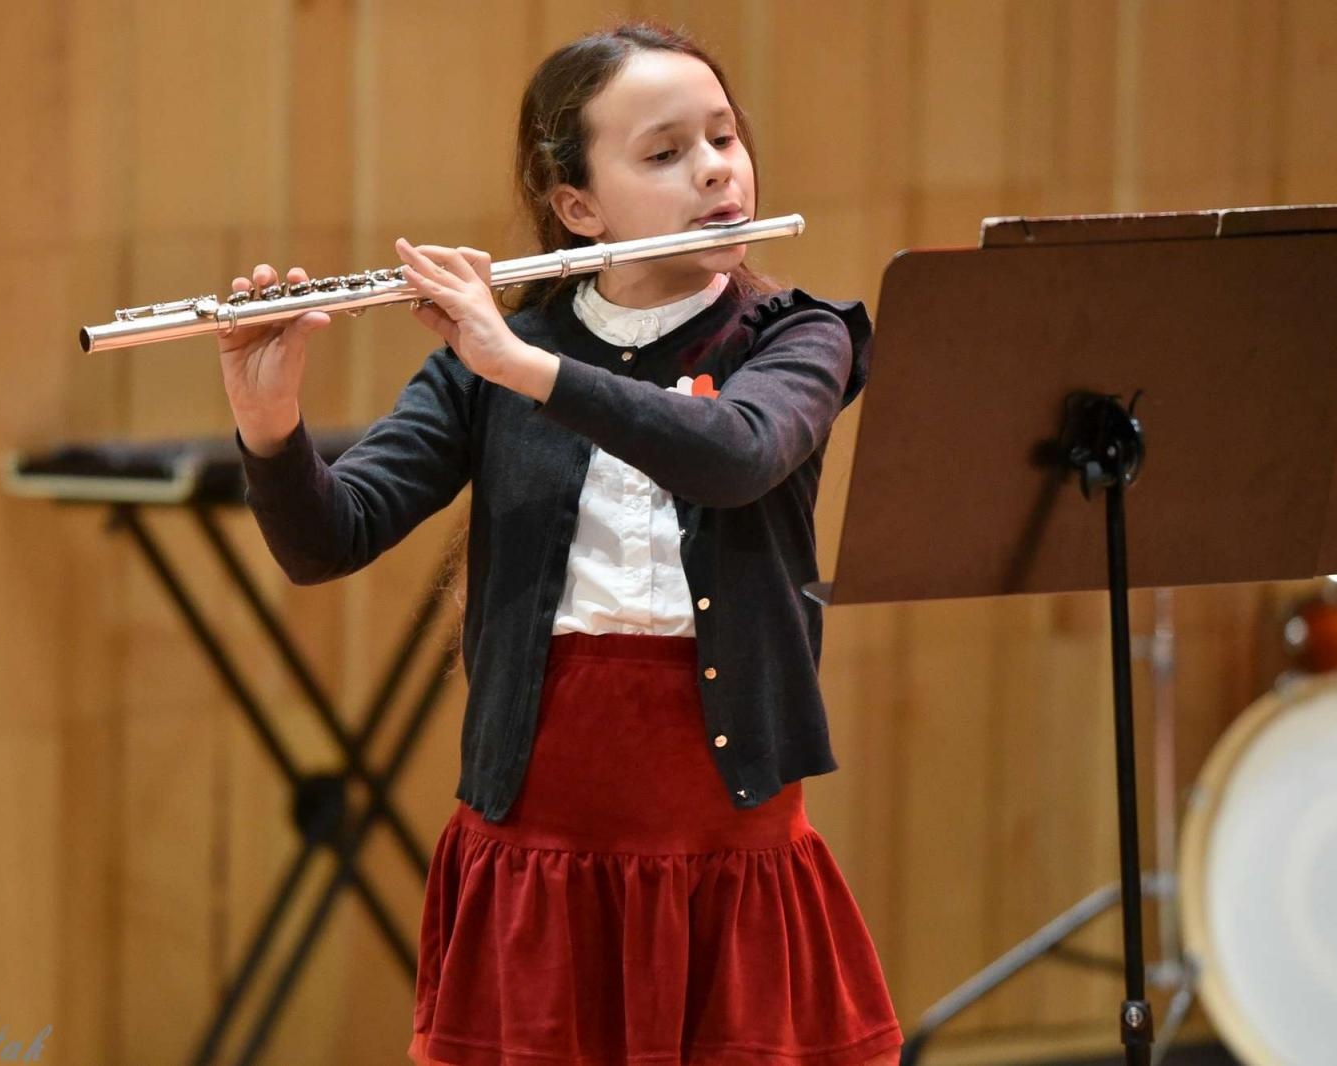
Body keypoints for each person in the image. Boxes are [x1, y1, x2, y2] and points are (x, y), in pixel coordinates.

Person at [217, 20, 902, 1066]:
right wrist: (270, 426)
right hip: (538, 839)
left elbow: (736, 452)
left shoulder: (800, 334)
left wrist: (518, 364)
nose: (717, 171)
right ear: (577, 207)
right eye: (666, 153)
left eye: (723, 138)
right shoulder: (490, 362)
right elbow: (330, 538)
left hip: (725, 837)